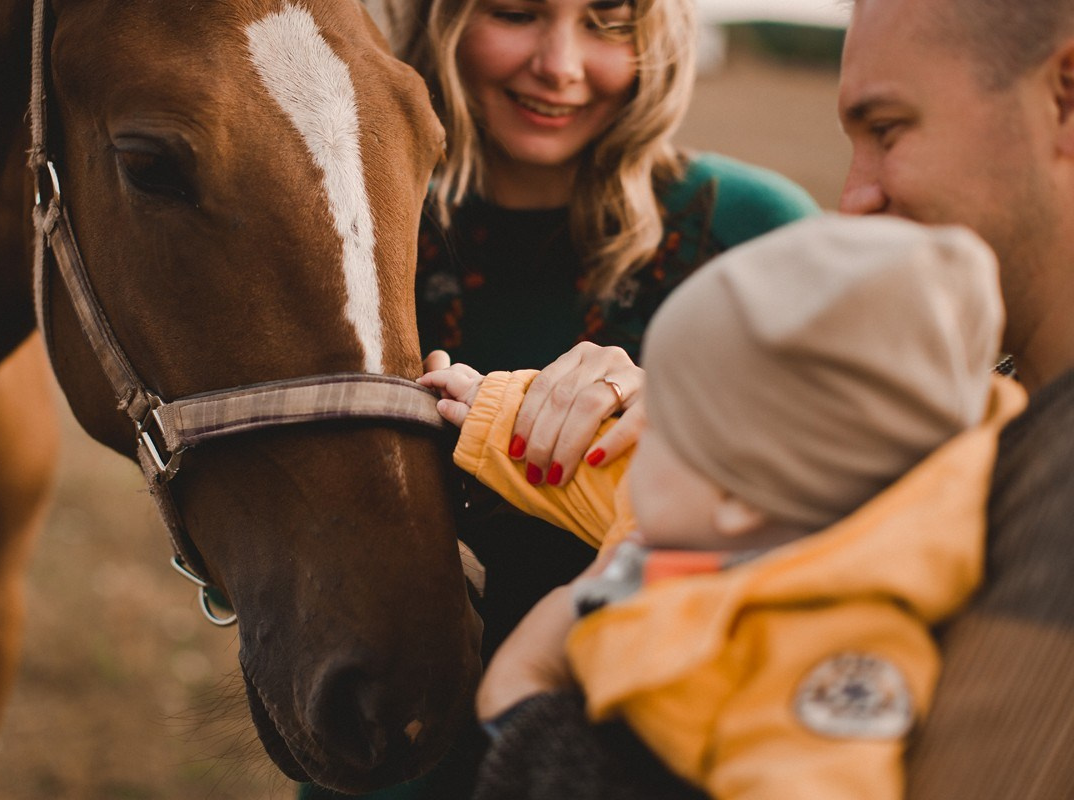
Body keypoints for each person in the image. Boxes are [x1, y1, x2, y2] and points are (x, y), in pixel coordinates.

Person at [299, 0, 817, 795]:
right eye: (515, 12)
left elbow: (870, 511)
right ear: (437, 21)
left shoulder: (757, 235)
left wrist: (699, 426)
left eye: (607, 23)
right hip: (383, 749)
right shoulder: (348, 226)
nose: (561, 65)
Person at [419, 213, 1027, 799]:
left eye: (659, 427)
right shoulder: (702, 506)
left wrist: (525, 708)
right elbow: (586, 461)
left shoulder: (830, 647)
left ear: (739, 495)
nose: (629, 431)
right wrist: (485, 405)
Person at [834, 1, 1074, 796]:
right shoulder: (995, 417)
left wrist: (534, 718)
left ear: (1065, 97)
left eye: (888, 130)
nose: (853, 197)